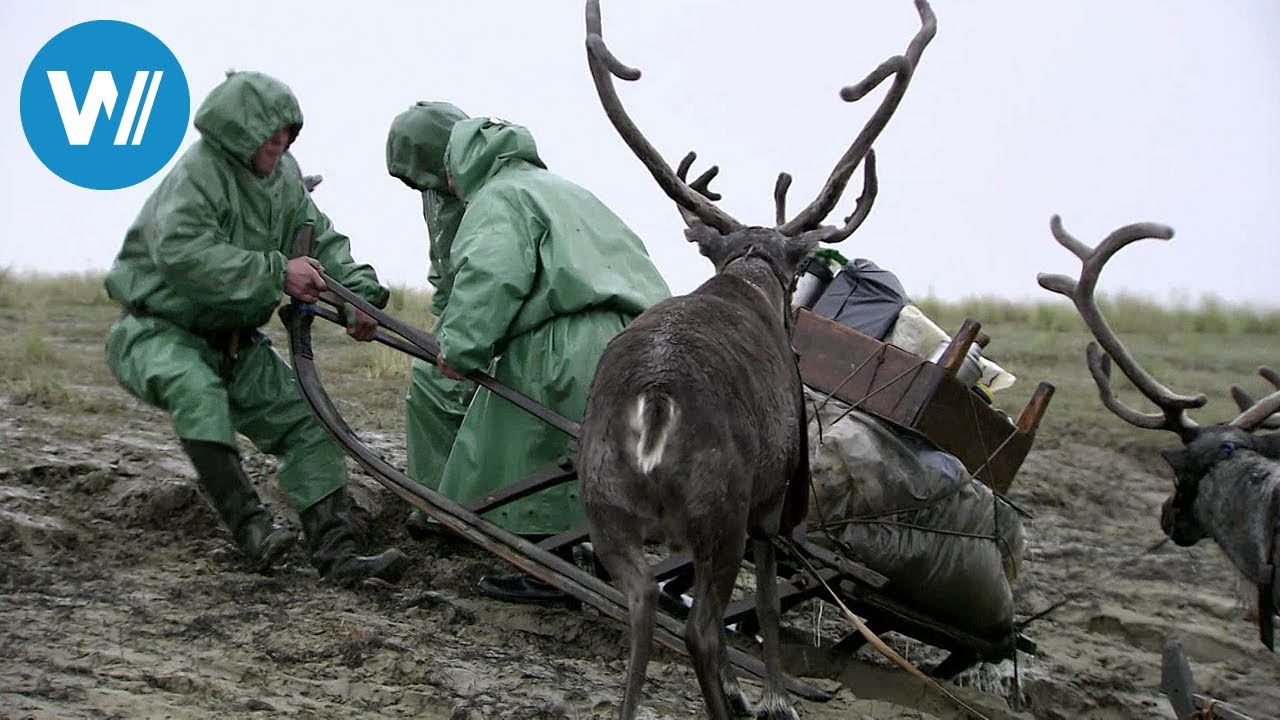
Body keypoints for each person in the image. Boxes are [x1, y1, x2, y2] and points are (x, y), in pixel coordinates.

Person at [103, 70, 407, 587]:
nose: (280, 143)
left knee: (309, 423)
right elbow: (181, 254)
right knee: (197, 393)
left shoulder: (285, 176)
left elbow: (318, 239)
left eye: (287, 134)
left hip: (239, 343)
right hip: (160, 332)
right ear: (237, 132)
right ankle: (251, 529)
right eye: (270, 134)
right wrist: (275, 273)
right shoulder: (197, 175)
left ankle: (339, 555)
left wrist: (360, 296)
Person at [387, 113, 670, 602]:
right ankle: (608, 561)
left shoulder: (499, 198)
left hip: (572, 341)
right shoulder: (565, 190)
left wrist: (460, 346)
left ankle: (547, 567)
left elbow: (492, 275)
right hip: (642, 340)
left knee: (528, 445)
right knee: (603, 456)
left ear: (465, 162)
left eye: (449, 170)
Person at [384, 102, 477, 528]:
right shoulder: (437, 195)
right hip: (464, 314)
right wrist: (445, 322)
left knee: (446, 389)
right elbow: (444, 265)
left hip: (497, 319)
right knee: (429, 381)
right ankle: (437, 499)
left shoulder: (488, 191)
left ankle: (456, 505)